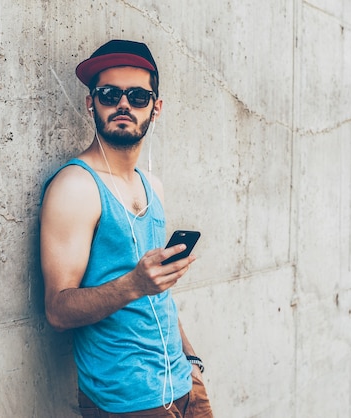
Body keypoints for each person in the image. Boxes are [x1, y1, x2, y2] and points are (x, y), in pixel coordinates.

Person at [39, 40, 214, 417]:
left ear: (156, 108)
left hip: (183, 383)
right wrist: (135, 283)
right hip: (126, 400)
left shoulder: (152, 185)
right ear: (91, 103)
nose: (123, 105)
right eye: (109, 94)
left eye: (137, 96)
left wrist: (192, 360)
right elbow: (57, 310)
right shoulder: (76, 187)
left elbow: (158, 291)